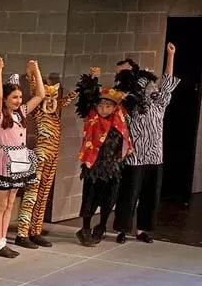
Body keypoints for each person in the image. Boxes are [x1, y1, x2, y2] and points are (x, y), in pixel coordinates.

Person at [114, 43, 182, 243]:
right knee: (129, 193)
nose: (149, 89)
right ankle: (122, 229)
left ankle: (142, 229)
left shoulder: (159, 104)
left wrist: (171, 55)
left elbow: (168, 81)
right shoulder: (129, 104)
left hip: (154, 155)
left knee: (150, 194)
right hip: (134, 154)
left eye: (150, 86)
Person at [0, 57, 45, 258]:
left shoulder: (21, 114)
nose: (19, 101)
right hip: (5, 160)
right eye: (15, 97)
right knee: (0, 204)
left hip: (20, 159)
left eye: (20, 97)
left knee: (11, 203)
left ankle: (2, 241)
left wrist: (36, 71)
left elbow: (40, 94)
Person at [75, 68, 136, 246]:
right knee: (90, 198)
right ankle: (85, 228)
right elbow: (85, 98)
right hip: (93, 166)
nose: (103, 109)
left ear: (115, 107)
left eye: (108, 106)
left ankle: (101, 225)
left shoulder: (120, 121)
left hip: (113, 168)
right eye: (100, 105)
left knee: (109, 199)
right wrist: (93, 78)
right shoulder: (92, 117)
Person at [13, 71, 70, 249]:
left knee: (44, 194)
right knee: (32, 193)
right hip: (40, 155)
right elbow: (35, 90)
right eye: (47, 94)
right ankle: (22, 233)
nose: (51, 99)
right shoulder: (38, 109)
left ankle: (35, 230)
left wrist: (91, 79)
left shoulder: (55, 110)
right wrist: (33, 71)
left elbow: (69, 98)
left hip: (53, 155)